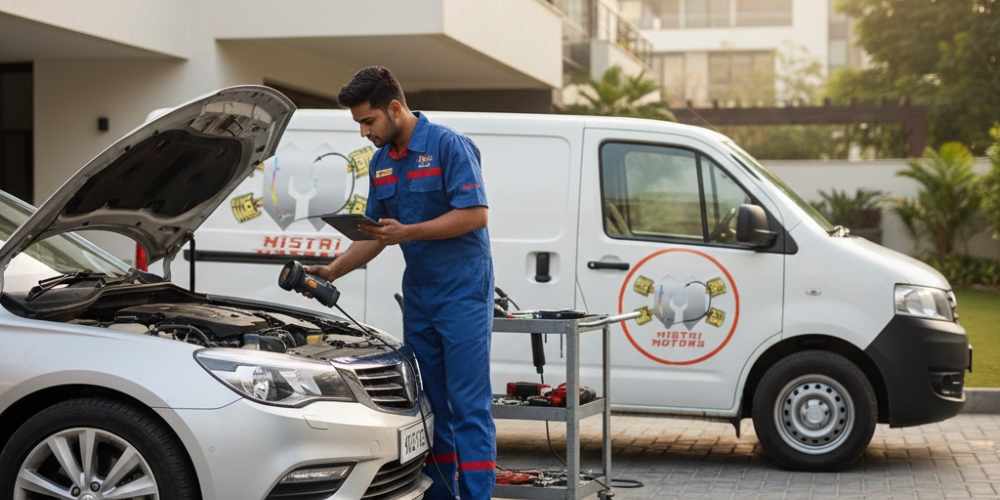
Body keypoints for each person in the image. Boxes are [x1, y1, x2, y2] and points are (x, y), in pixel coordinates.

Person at [306, 66, 496, 499]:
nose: (363, 132)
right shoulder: (381, 163)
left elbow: (476, 215)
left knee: (469, 406)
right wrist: (332, 270)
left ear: (395, 108)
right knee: (432, 407)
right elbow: (376, 235)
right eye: (358, 123)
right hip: (421, 297)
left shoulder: (449, 146)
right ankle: (442, 494)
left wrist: (407, 232)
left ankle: (478, 496)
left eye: (368, 121)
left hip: (463, 293)